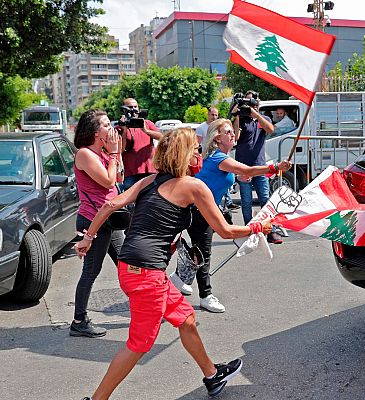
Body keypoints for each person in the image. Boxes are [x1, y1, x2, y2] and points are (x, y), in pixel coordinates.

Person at [74, 128, 271, 399]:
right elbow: (225, 230)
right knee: (139, 344)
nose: (199, 154)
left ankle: (212, 375)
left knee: (186, 319)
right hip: (146, 274)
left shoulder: (150, 181)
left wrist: (88, 237)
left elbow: (110, 205)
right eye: (195, 149)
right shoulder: (193, 186)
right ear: (185, 154)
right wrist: (258, 226)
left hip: (131, 268)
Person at [171, 119, 290, 312]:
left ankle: (178, 278)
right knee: (204, 253)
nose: (233, 134)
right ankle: (205, 295)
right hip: (198, 210)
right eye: (228, 132)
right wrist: (275, 167)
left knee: (199, 249)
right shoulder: (219, 158)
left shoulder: (221, 158)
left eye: (232, 131)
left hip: (202, 209)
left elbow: (236, 174)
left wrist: (240, 177)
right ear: (217, 137)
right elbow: (248, 169)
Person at [71, 109, 125, 338]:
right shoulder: (85, 155)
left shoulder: (103, 153)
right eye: (105, 124)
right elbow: (107, 180)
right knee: (91, 271)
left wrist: (117, 153)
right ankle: (79, 320)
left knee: (127, 262)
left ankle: (150, 307)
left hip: (109, 218)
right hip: (94, 219)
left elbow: (119, 178)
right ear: (95, 132)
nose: (110, 128)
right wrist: (112, 154)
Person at [232, 90, 283, 244]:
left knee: (265, 199)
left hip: (260, 166)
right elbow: (235, 138)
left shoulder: (263, 119)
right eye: (246, 102)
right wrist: (237, 115)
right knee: (246, 201)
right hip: (243, 166)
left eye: (251, 102)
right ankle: (250, 230)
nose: (249, 106)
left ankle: (271, 231)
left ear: (257, 103)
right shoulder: (241, 119)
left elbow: (271, 130)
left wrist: (256, 114)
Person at [117, 98, 162, 191]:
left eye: (135, 107)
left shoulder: (147, 123)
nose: (133, 110)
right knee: (130, 201)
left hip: (150, 169)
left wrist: (146, 131)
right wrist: (124, 130)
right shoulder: (120, 127)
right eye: (130, 107)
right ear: (123, 110)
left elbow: (161, 137)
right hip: (131, 172)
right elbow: (120, 149)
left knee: (150, 198)